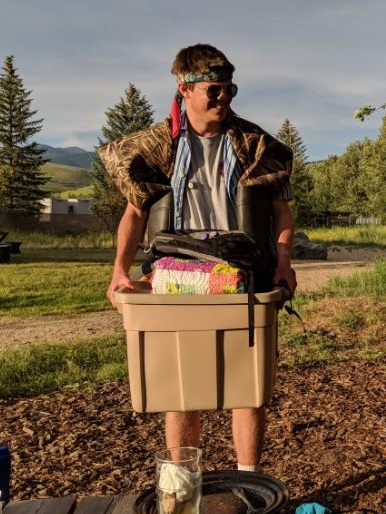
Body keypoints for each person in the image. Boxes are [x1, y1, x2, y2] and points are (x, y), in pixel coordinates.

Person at [98, 43, 297, 470]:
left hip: (244, 280)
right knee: (181, 391)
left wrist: (283, 260)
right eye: (214, 89)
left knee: (247, 389)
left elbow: (281, 210)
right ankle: (184, 484)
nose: (223, 97)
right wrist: (119, 270)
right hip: (176, 282)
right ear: (183, 88)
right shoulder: (155, 149)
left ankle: (248, 482)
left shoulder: (254, 144)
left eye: (229, 88)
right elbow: (134, 214)